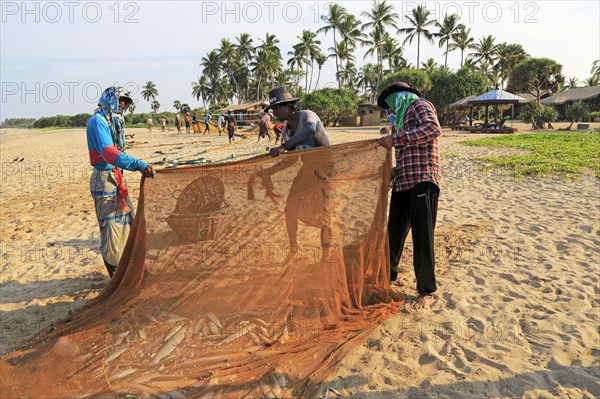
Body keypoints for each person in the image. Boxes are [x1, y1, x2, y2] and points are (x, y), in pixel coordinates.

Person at [376, 82, 441, 309]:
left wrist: (395, 140)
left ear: (399, 97)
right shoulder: (401, 121)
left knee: (422, 237)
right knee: (393, 233)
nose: (390, 111)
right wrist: (392, 171)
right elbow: (406, 151)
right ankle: (387, 279)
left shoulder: (419, 105)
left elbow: (433, 129)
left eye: (391, 105)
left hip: (423, 179)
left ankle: (426, 289)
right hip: (403, 183)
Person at [86, 86, 155, 277]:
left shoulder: (113, 122)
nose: (123, 103)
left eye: (126, 101)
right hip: (104, 180)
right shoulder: (98, 121)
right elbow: (108, 153)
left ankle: (129, 270)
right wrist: (138, 164)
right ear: (109, 99)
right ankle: (116, 278)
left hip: (117, 178)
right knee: (111, 230)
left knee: (129, 223)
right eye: (120, 99)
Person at [264, 86, 332, 261]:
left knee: (324, 214)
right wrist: (269, 171)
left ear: (289, 106)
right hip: (307, 169)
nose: (275, 112)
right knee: (290, 208)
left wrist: (282, 147)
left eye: (278, 108)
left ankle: (326, 254)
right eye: (273, 109)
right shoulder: (287, 131)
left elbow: (309, 130)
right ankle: (293, 248)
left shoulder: (307, 116)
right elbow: (292, 159)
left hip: (324, 170)